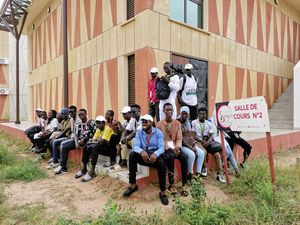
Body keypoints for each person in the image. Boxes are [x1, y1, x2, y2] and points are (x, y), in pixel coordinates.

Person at [123, 114, 169, 205]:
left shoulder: (158, 132)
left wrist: (155, 154)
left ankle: (163, 191)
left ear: (151, 122)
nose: (143, 123)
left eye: (146, 121)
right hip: (144, 156)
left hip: (154, 156)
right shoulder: (139, 132)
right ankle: (132, 185)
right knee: (132, 155)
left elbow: (161, 148)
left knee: (162, 163)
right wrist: (141, 152)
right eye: (142, 121)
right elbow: (136, 146)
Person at [157, 103, 189, 196]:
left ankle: (184, 185)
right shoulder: (159, 124)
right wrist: (169, 148)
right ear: (163, 111)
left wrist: (178, 147)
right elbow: (160, 140)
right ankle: (171, 185)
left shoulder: (177, 123)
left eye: (171, 110)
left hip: (176, 146)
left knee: (184, 157)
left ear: (173, 111)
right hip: (166, 147)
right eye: (167, 110)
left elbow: (179, 138)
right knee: (170, 157)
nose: (169, 112)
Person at [192, 107, 226, 183]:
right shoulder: (194, 122)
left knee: (217, 154)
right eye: (200, 114)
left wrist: (208, 142)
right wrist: (201, 141)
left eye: (203, 114)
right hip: (198, 142)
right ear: (198, 114)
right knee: (204, 152)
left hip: (207, 143)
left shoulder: (209, 124)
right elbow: (193, 135)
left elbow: (211, 136)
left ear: (206, 115)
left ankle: (220, 174)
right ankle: (204, 168)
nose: (201, 115)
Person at [81, 116, 114, 182]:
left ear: (103, 123)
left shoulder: (107, 129)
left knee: (95, 147)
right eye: (97, 123)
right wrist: (93, 140)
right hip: (102, 147)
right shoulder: (99, 129)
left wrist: (94, 140)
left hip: (110, 150)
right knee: (86, 146)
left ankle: (92, 171)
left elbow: (102, 141)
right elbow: (94, 139)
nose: (97, 125)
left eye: (99, 123)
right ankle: (84, 168)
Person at [177, 106, 205, 180]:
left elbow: (190, 135)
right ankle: (190, 175)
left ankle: (198, 174)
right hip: (181, 144)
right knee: (192, 155)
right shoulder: (177, 123)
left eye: (186, 114)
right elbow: (180, 139)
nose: (184, 116)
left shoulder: (188, 122)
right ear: (180, 113)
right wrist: (190, 147)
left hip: (189, 143)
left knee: (201, 153)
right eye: (183, 114)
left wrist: (193, 144)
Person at [53, 106, 81, 174]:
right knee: (62, 144)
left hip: (79, 139)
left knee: (63, 144)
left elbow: (78, 133)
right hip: (74, 138)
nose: (70, 113)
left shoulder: (79, 120)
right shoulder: (71, 120)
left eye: (72, 112)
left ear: (75, 111)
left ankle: (63, 167)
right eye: (69, 112)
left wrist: (76, 142)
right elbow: (73, 132)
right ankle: (62, 166)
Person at [74, 111, 97, 179]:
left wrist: (85, 139)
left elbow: (95, 133)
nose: (81, 115)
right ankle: (84, 169)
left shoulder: (91, 122)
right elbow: (75, 135)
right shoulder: (78, 124)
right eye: (79, 114)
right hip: (79, 141)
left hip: (89, 140)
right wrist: (76, 143)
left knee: (86, 146)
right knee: (64, 144)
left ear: (86, 114)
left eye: (82, 114)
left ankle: (84, 168)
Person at [112, 106, 132, 170]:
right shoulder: (125, 122)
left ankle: (122, 163)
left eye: (125, 114)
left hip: (132, 140)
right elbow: (121, 133)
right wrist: (117, 128)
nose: (123, 115)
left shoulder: (132, 121)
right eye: (123, 114)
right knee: (114, 137)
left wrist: (119, 123)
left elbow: (126, 132)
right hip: (127, 139)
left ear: (130, 113)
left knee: (122, 142)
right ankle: (119, 162)